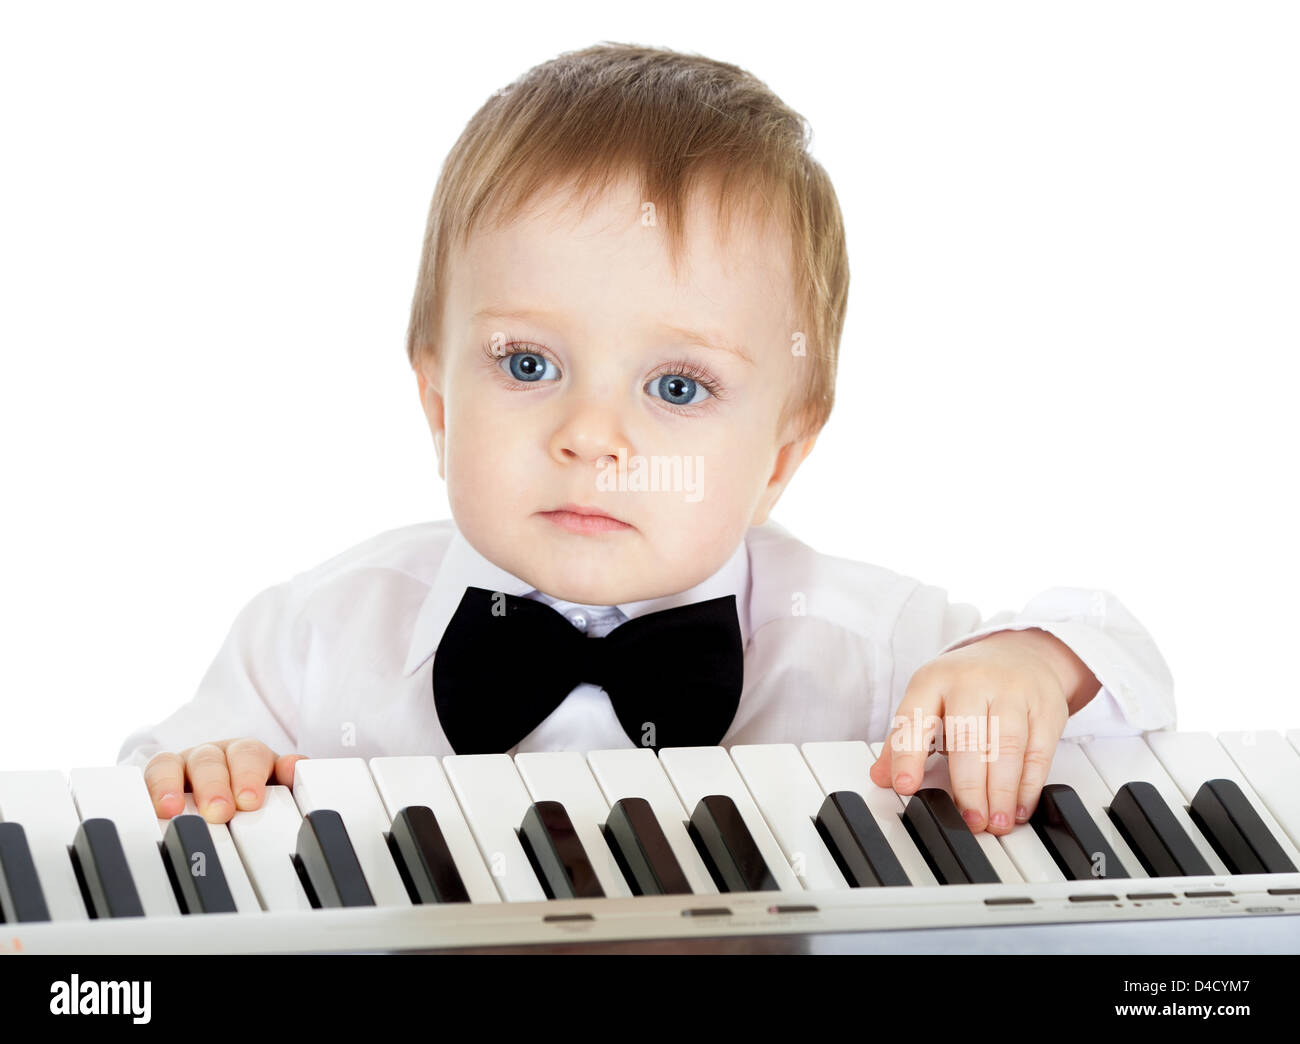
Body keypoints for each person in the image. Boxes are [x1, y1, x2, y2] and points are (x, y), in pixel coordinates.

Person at [118, 42, 1174, 842]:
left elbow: (1120, 673)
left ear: (780, 456)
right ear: (437, 401)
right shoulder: (312, 640)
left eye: (677, 384)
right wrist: (208, 777)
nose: (590, 437)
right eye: (527, 365)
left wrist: (1025, 666)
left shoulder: (867, 645)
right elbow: (141, 802)